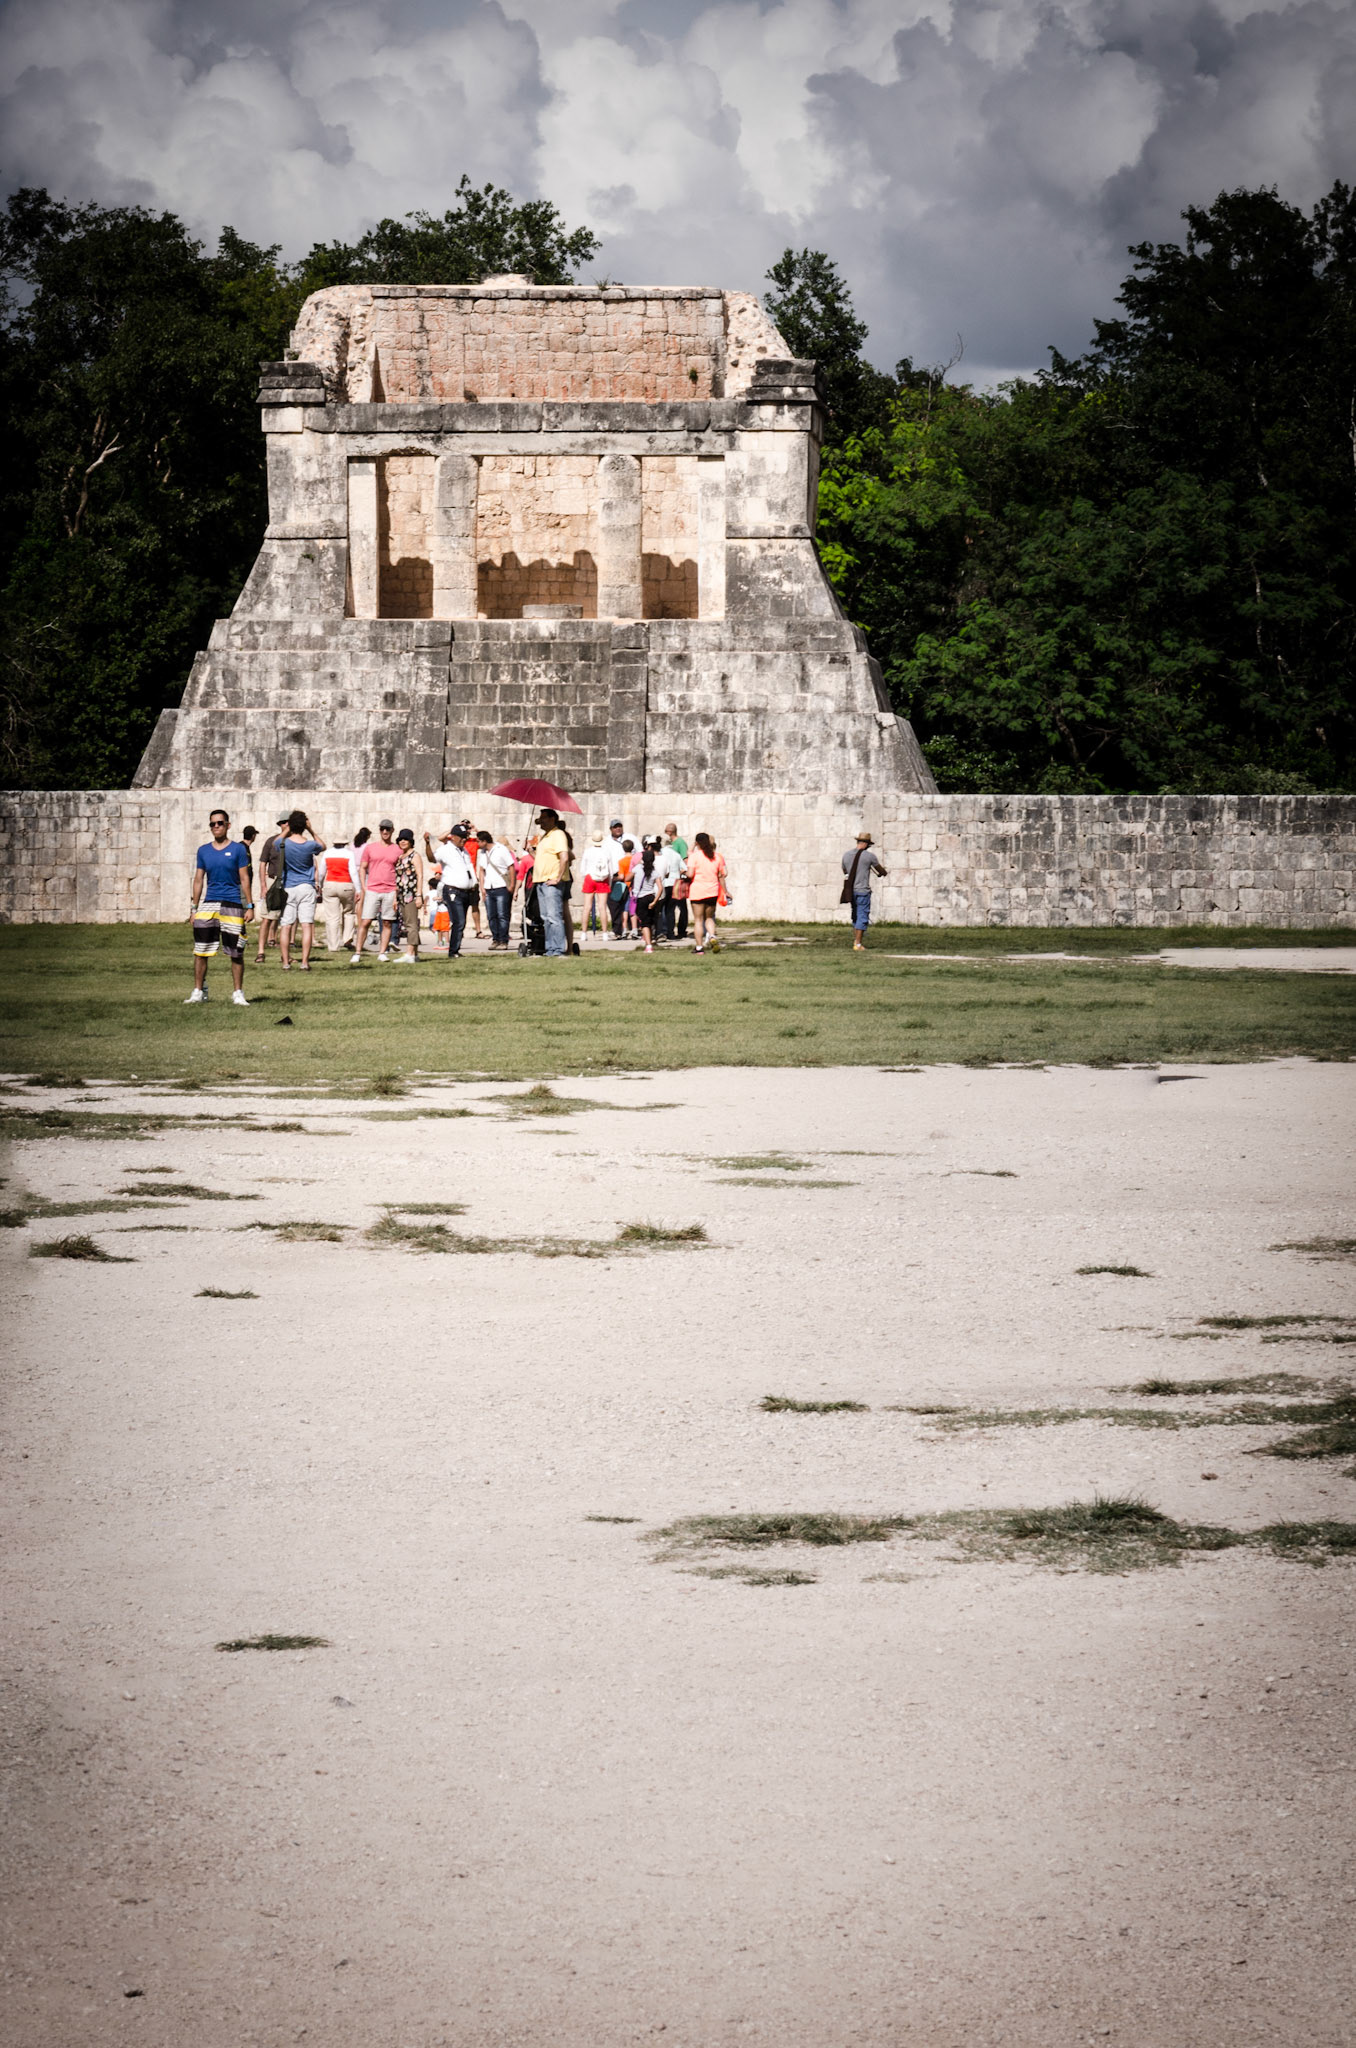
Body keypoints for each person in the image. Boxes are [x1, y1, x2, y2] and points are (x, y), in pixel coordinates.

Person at [187, 807, 253, 1005]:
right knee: (201, 950)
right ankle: (198, 991)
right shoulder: (203, 851)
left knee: (236, 951)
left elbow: (244, 878)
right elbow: (198, 879)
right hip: (209, 904)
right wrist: (194, 908)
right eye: (212, 824)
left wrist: (249, 906)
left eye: (219, 823)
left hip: (232, 903)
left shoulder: (238, 849)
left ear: (227, 825)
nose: (216, 827)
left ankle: (238, 993)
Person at [278, 810, 327, 971]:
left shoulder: (284, 843)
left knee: (286, 925)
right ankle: (304, 962)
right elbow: (323, 846)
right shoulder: (310, 845)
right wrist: (311, 830)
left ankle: (286, 962)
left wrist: (287, 829)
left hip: (289, 887)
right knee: (306, 925)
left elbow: (275, 843)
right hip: (306, 886)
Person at [352, 819, 400, 964]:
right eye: (382, 829)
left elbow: (400, 870)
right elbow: (362, 867)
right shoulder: (370, 848)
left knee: (387, 922)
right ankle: (357, 952)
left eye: (387, 829)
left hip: (390, 889)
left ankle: (382, 952)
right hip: (373, 889)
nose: (385, 832)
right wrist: (363, 886)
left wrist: (397, 891)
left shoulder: (397, 849)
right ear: (379, 830)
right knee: (365, 921)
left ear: (392, 830)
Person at [429, 823, 477, 958]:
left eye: (465, 837)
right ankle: (453, 951)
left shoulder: (464, 851)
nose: (464, 840)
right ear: (453, 837)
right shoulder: (446, 849)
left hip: (466, 891)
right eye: (461, 837)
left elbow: (469, 868)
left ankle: (456, 949)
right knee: (459, 921)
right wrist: (427, 844)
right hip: (452, 890)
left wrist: (474, 882)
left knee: (462, 922)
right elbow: (432, 858)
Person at [531, 807, 571, 957]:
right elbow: (541, 859)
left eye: (544, 818)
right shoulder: (544, 837)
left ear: (552, 819)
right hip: (541, 881)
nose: (541, 821)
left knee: (554, 917)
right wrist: (530, 851)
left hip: (551, 881)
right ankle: (550, 948)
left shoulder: (558, 834)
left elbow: (564, 857)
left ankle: (558, 949)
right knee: (546, 918)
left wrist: (558, 878)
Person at [842, 829, 888, 951]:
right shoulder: (869, 856)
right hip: (862, 890)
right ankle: (858, 943)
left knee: (855, 915)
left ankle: (856, 940)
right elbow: (880, 870)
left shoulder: (846, 855)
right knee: (862, 915)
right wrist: (883, 872)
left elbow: (845, 870)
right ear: (866, 844)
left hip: (850, 890)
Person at [253, 813, 290, 963]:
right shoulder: (271, 841)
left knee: (287, 920)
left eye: (288, 822)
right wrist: (263, 885)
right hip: (273, 881)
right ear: (280, 824)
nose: (286, 825)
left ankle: (285, 955)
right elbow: (263, 864)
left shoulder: (295, 841)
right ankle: (261, 952)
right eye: (283, 822)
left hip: (290, 882)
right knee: (267, 918)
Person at [685, 832, 726, 954]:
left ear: (697, 843)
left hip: (697, 891)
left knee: (698, 920)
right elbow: (722, 874)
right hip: (712, 891)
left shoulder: (694, 856)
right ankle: (712, 936)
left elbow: (690, 874)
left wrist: (684, 872)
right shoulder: (717, 856)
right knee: (709, 918)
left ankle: (699, 947)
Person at [479, 829, 515, 950]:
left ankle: (503, 940)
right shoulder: (483, 853)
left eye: (479, 841)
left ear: (484, 841)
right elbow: (481, 870)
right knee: (491, 915)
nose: (477, 844)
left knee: (502, 915)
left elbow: (511, 866)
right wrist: (482, 888)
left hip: (501, 886)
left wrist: (512, 885)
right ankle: (496, 938)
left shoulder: (501, 849)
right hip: (489, 887)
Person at [392, 829, 425, 962]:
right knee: (408, 923)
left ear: (411, 841)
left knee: (411, 924)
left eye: (406, 839)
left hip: (411, 894)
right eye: (401, 839)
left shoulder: (414, 856)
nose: (403, 842)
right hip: (401, 894)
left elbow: (420, 875)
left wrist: (419, 895)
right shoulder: (400, 857)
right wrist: (395, 897)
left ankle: (409, 953)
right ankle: (414, 954)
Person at [321, 836, 358, 952]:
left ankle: (333, 946)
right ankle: (347, 938)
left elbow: (322, 872)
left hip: (330, 884)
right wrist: (358, 889)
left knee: (332, 917)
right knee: (349, 913)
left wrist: (319, 885)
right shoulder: (349, 854)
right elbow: (353, 872)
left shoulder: (327, 853)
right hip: (346, 885)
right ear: (345, 843)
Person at [631, 838, 664, 954]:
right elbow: (660, 888)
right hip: (651, 896)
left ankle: (648, 945)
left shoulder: (637, 869)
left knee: (644, 922)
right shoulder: (654, 871)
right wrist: (655, 901)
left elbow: (628, 877)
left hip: (641, 897)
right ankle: (650, 940)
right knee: (650, 921)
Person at [580, 832, 612, 940]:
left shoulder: (588, 851)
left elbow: (583, 869)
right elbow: (610, 869)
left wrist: (585, 877)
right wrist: (609, 883)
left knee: (587, 907)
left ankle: (584, 933)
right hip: (603, 879)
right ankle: (605, 933)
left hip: (590, 877)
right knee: (602, 907)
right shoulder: (606, 852)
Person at [663, 822, 690, 942]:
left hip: (676, 882)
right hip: (675, 880)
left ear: (669, 832)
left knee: (680, 907)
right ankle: (670, 931)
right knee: (671, 908)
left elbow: (686, 861)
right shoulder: (672, 848)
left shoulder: (680, 843)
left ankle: (680, 930)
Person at [656, 830, 684, 942]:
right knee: (671, 909)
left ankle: (662, 931)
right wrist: (677, 873)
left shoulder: (661, 854)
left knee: (661, 908)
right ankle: (671, 933)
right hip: (675, 883)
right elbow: (684, 868)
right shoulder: (676, 855)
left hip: (664, 883)